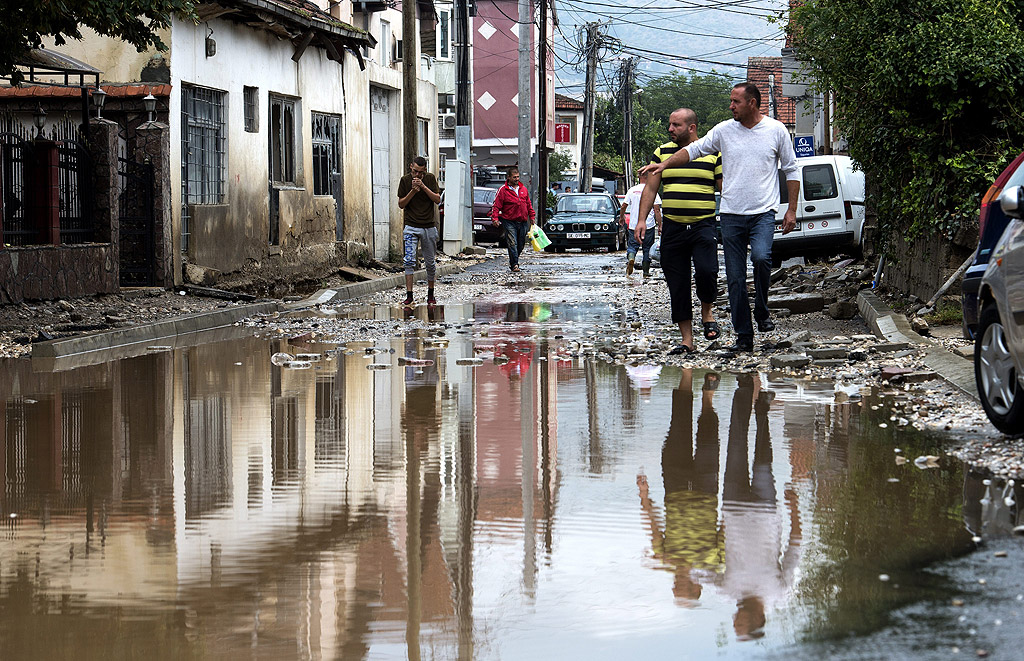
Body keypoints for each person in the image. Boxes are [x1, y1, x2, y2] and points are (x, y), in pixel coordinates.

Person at [639, 83, 800, 353]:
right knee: (735, 278)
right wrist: (665, 164)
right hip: (730, 215)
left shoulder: (776, 130)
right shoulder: (724, 130)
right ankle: (744, 337)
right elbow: (693, 149)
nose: (731, 106)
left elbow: (792, 170)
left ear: (752, 103)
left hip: (762, 212)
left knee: (761, 258)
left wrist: (791, 210)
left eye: (735, 101)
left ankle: (761, 310)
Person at [637, 108, 722, 354]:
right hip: (673, 227)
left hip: (703, 225)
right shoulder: (661, 153)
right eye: (670, 124)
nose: (670, 129)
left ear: (692, 128)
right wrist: (642, 220)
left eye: (676, 125)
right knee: (677, 282)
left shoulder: (712, 153)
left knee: (707, 271)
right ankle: (687, 340)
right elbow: (651, 190)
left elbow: (724, 187)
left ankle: (707, 312)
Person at [397, 156, 441, 307]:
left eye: (420, 173)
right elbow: (401, 204)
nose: (417, 175)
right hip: (411, 226)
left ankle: (431, 293)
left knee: (430, 263)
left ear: (425, 171)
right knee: (409, 260)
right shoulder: (404, 181)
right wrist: (412, 192)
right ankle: (409, 295)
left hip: (428, 226)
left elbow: (437, 199)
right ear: (411, 167)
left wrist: (423, 187)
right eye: (415, 171)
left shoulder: (429, 179)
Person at [490, 165, 535, 272]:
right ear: (509, 178)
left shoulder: (523, 189)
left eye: (518, 177)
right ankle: (515, 264)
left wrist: (532, 216)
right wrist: (495, 218)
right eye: (514, 177)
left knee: (521, 244)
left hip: (523, 221)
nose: (516, 179)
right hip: (509, 221)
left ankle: (513, 260)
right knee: (512, 242)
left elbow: (528, 204)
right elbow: (496, 205)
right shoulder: (503, 190)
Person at [620, 171, 663, 278]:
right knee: (647, 248)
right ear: (648, 178)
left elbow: (623, 206)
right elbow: (657, 210)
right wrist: (660, 224)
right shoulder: (652, 191)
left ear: (639, 177)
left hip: (634, 225)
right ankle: (646, 272)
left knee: (632, 246)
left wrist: (622, 217)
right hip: (648, 225)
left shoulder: (632, 190)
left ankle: (631, 258)